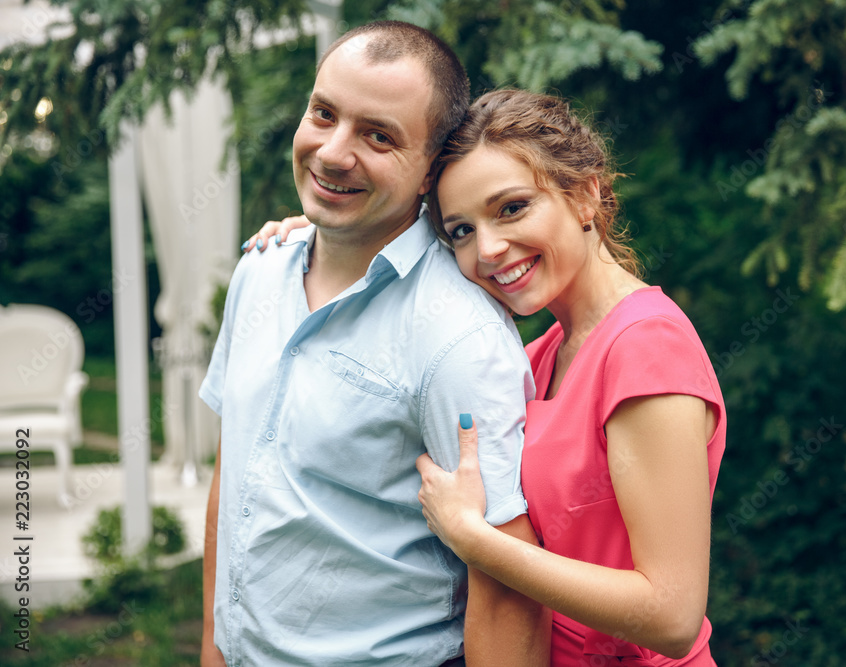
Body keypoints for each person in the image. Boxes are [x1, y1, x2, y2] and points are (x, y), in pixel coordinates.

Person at [250, 89, 726, 666]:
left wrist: (475, 540)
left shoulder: (646, 348)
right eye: (461, 231)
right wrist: (335, 231)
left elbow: (671, 616)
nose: (491, 248)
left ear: (584, 193)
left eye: (511, 208)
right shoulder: (546, 350)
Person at [201, 22, 549, 667]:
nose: (333, 152)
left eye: (378, 135)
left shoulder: (457, 336)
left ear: (429, 172)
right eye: (323, 114)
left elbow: (508, 581)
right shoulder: (259, 270)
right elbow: (233, 481)